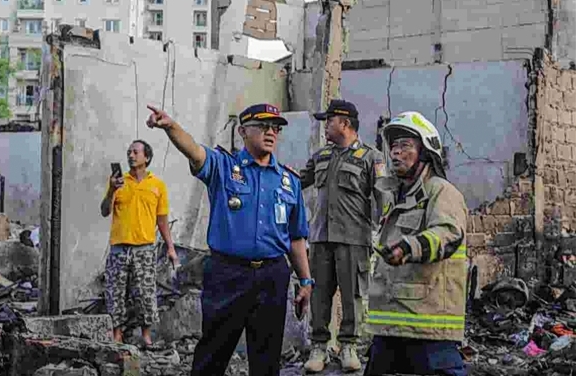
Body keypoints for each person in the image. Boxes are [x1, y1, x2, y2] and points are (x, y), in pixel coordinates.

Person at [147, 103, 313, 376]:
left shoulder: (288, 181)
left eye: (275, 128)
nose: (270, 133)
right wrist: (171, 127)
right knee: (213, 352)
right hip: (228, 274)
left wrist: (305, 281)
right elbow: (195, 152)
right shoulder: (224, 167)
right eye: (262, 126)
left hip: (272, 275)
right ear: (243, 131)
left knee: (266, 358)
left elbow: (296, 237)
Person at [364, 111, 468, 376]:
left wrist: (408, 248)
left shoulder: (441, 191)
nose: (396, 152)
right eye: (394, 146)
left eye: (405, 145)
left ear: (425, 151)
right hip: (390, 328)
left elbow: (448, 234)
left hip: (429, 332)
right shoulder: (397, 197)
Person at [300, 99, 391, 373]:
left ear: (345, 123)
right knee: (319, 295)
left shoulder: (371, 158)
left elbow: (383, 197)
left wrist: (385, 232)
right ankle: (319, 346)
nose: (325, 126)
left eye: (329, 120)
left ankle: (349, 345)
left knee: (353, 295)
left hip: (354, 238)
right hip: (320, 238)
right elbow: (295, 182)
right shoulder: (320, 156)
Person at [100, 140, 179, 346]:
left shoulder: (157, 186)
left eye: (135, 152)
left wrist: (170, 247)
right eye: (129, 152)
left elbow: (161, 220)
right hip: (119, 248)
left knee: (145, 294)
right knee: (115, 292)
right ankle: (117, 335)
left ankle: (146, 336)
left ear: (147, 158)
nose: (131, 156)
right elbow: (104, 210)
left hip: (144, 249)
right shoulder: (118, 182)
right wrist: (110, 190)